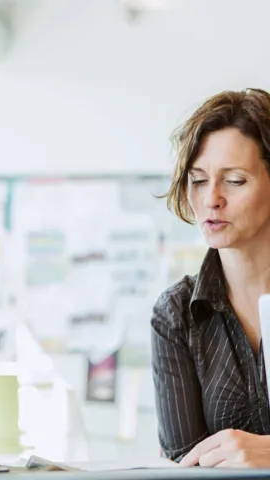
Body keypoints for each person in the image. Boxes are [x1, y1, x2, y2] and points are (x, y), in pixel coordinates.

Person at [152, 88, 270, 468]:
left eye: (235, 181)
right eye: (199, 180)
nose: (211, 199)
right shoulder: (176, 314)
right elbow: (186, 465)